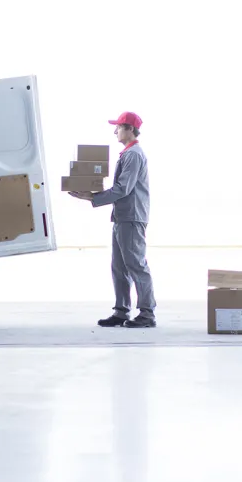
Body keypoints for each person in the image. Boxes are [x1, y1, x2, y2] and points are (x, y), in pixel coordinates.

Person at [69, 111, 156, 328]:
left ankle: (147, 314)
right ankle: (121, 311)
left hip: (132, 218)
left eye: (118, 126)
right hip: (122, 217)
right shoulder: (127, 154)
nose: (115, 130)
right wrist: (92, 196)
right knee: (119, 266)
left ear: (129, 129)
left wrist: (93, 197)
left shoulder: (134, 155)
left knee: (136, 264)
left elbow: (123, 189)